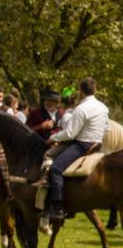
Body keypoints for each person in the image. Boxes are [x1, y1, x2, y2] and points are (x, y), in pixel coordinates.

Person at [45, 77, 109, 219]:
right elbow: (107, 128)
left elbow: (69, 133)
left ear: (81, 91)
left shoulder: (81, 109)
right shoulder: (103, 107)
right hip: (98, 146)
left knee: (55, 169)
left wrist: (52, 138)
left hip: (82, 146)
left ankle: (58, 207)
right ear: (95, 90)